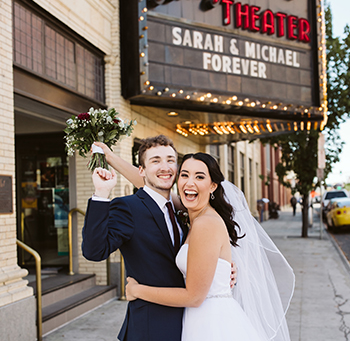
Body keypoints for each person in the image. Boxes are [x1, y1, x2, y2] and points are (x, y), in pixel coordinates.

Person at [120, 152, 293, 341]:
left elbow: (194, 297)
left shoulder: (205, 224)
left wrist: (137, 290)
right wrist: (109, 156)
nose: (190, 183)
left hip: (210, 323)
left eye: (199, 177)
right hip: (200, 317)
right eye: (184, 175)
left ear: (213, 186)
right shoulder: (193, 213)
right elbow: (147, 185)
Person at [82, 135, 187, 340]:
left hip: (188, 319)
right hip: (150, 327)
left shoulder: (181, 208)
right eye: (155, 161)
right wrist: (101, 194)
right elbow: (94, 252)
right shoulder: (128, 207)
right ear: (142, 170)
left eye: (170, 160)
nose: (164, 166)